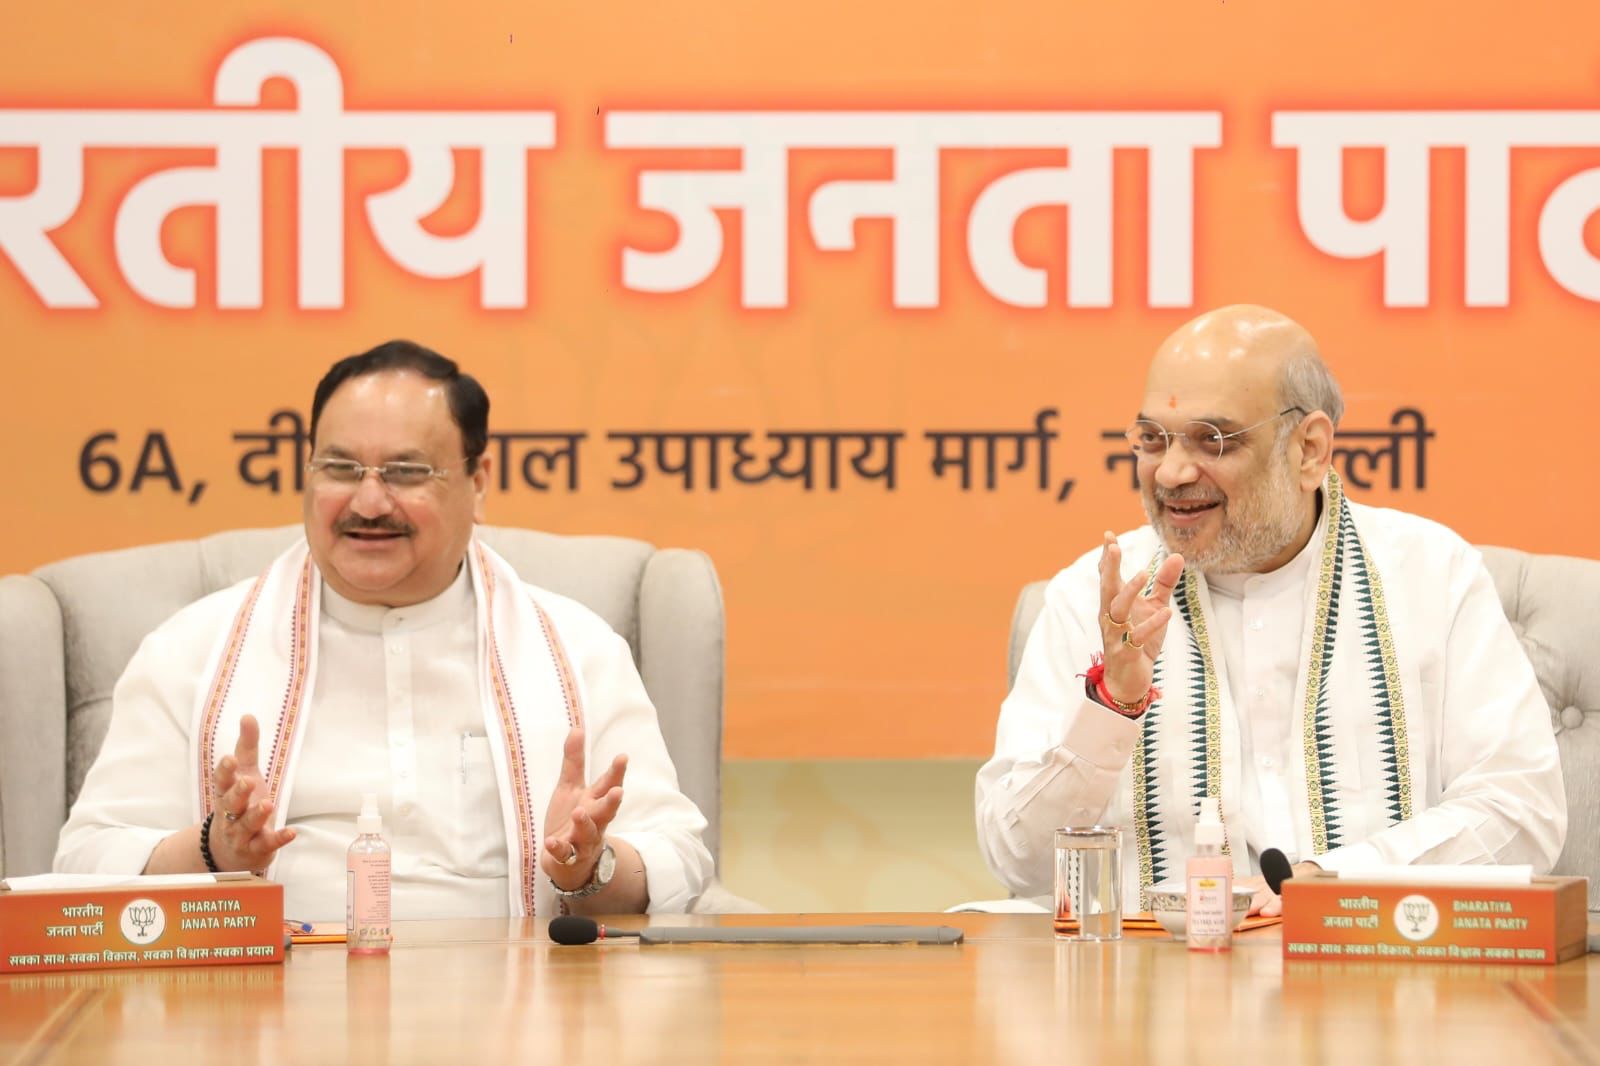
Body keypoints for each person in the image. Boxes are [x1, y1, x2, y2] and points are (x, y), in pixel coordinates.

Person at [56, 340, 713, 920]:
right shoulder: (192, 651)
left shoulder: (579, 650)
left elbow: (679, 857)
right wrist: (214, 849)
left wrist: (585, 868)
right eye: (340, 469)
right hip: (268, 1015)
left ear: (478, 484)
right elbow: (85, 861)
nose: (368, 503)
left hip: (521, 1012)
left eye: (405, 473)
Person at [975, 306, 1566, 915]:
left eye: (1214, 440)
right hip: (1150, 994)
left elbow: (1523, 812)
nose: (1172, 472)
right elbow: (1020, 863)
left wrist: (1338, 880)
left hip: (1377, 986)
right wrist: (1112, 707)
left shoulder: (1430, 576)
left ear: (1308, 449)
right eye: (1154, 439)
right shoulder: (1092, 597)